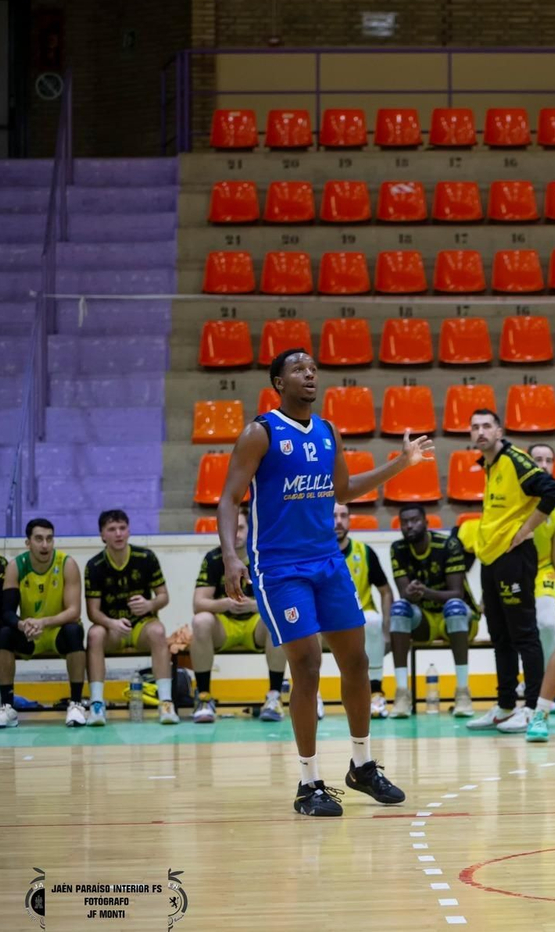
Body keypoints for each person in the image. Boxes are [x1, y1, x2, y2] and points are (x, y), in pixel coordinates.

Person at [218, 348, 419, 816]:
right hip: (280, 568)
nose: (309, 374)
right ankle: (309, 782)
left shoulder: (328, 432)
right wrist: (231, 556)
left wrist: (400, 464)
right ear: (278, 383)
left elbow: (343, 490)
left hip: (328, 561)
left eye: (313, 368)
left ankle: (362, 765)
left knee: (357, 658)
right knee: (307, 665)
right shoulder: (260, 433)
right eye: (298, 369)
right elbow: (229, 499)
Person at [465, 408, 555, 740]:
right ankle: (506, 705)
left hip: (514, 557)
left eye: (486, 426)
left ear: (499, 431)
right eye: (474, 427)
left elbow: (553, 490)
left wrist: (525, 531)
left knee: (524, 635)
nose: (480, 431)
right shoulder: (490, 465)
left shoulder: (514, 459)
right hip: (492, 559)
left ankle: (533, 706)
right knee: (501, 637)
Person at [190, 510, 289, 724]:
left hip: (256, 625)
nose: (236, 534)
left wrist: (255, 605)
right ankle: (204, 698)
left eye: (241, 528)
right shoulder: (214, 558)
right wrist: (224, 603)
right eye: (232, 528)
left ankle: (274, 697)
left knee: (277, 621)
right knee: (200, 621)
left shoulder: (266, 556)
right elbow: (198, 604)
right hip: (224, 626)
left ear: (250, 529)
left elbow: (282, 600)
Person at [83, 509, 175, 725]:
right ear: (102, 535)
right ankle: (97, 704)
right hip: (111, 629)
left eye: (122, 528)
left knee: (159, 631)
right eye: (112, 529)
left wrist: (149, 604)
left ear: (129, 531)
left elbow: (164, 597)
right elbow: (92, 612)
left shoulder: (146, 558)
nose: (118, 534)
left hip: (141, 626)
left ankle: (166, 702)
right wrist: (111, 623)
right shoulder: (94, 565)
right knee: (94, 634)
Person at [388, 504, 478, 719]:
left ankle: (463, 692)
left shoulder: (448, 545)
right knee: (399, 609)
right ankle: (402, 694)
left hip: (460, 620)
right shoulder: (397, 549)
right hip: (426, 621)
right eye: (405, 522)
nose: (409, 526)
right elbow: (403, 594)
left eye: (415, 520)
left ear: (427, 524)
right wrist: (410, 592)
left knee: (454, 607)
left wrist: (425, 592)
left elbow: (457, 593)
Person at [0, 518, 88, 728]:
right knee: (4, 633)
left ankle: (75, 704)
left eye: (49, 539)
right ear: (28, 543)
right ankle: (8, 707)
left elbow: (74, 611)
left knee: (75, 631)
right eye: (39, 539)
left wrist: (43, 622)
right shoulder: (16, 566)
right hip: (30, 634)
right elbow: (8, 612)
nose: (45, 545)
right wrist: (22, 625)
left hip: (56, 632)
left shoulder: (67, 564)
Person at [334, 502, 394, 719]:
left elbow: (386, 592)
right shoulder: (315, 552)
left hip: (360, 619)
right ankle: (314, 698)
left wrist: (387, 631)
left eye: (343, 516)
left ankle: (376, 691)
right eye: (333, 516)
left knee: (373, 621)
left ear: (349, 520)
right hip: (326, 620)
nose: (338, 521)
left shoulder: (364, 551)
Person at [527, 442, 555, 714]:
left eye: (548, 460)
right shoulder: (517, 494)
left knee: (545, 623)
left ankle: (549, 690)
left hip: (543, 570)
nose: (543, 464)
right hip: (516, 570)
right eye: (537, 459)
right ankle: (526, 686)